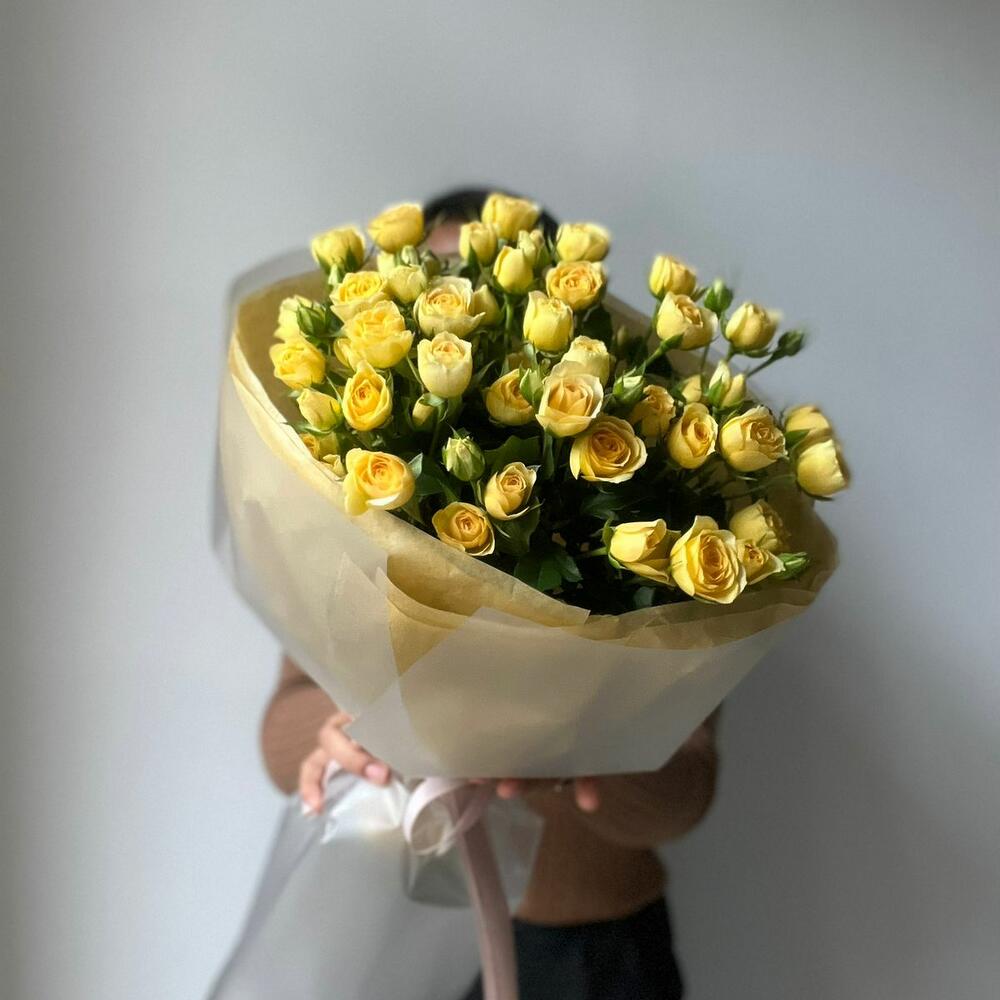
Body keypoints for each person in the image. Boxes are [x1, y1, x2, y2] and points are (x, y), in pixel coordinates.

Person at [260, 189, 721, 1000]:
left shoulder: (657, 511)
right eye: (436, 292)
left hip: (585, 947)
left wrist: (587, 755)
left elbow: (687, 788)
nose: (460, 323)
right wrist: (350, 728)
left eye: (489, 295)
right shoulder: (354, 495)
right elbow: (282, 726)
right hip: (392, 925)